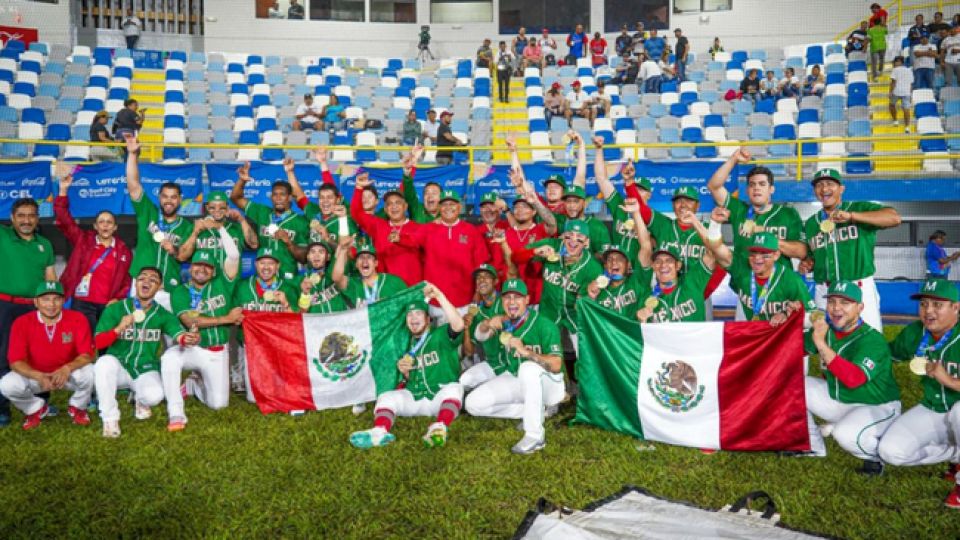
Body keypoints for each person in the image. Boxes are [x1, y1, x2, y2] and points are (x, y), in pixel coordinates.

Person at [349, 284, 465, 449]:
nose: (413, 318)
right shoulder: (406, 344)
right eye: (409, 315)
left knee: (455, 388)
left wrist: (439, 297)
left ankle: (439, 427)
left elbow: (459, 325)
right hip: (416, 398)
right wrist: (405, 373)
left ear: (428, 319)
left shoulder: (440, 335)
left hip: (439, 398)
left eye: (418, 313)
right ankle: (379, 431)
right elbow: (413, 379)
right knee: (386, 397)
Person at [802, 281, 901, 474]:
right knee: (791, 386)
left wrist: (820, 344)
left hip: (877, 405)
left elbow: (853, 378)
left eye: (845, 302)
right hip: (840, 399)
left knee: (846, 435)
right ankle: (812, 445)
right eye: (832, 301)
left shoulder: (873, 340)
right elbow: (791, 349)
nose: (837, 308)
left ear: (860, 307)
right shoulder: (827, 331)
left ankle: (876, 456)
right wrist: (789, 319)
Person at [879, 279, 960, 508]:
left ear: (956, 307)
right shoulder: (916, 332)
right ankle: (955, 456)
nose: (929, 311)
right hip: (933, 406)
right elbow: (887, 355)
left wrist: (949, 380)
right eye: (924, 304)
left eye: (937, 305)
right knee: (890, 451)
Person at [467, 279, 565, 455]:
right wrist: (487, 323)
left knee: (528, 368)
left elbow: (557, 365)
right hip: (517, 379)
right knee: (473, 404)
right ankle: (532, 411)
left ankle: (535, 436)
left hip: (549, 385)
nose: (511, 302)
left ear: (527, 300)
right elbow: (480, 336)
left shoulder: (544, 324)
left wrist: (528, 352)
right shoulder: (505, 322)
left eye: (517, 297)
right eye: (507, 297)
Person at [94, 267, 194, 438]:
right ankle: (110, 419)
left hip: (144, 369)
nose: (146, 281)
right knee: (103, 363)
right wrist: (118, 329)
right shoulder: (116, 309)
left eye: (153, 279)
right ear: (136, 283)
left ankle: (140, 400)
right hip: (118, 368)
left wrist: (188, 338)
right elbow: (97, 343)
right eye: (142, 278)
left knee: (154, 396)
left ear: (159, 286)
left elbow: (178, 334)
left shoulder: (162, 314)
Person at [800, 168, 902, 333]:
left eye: (830, 184)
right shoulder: (811, 223)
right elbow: (812, 257)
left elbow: (894, 218)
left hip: (859, 287)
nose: (824, 189)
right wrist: (808, 264)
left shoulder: (858, 208)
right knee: (827, 344)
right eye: (819, 185)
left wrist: (853, 216)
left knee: (869, 341)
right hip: (826, 291)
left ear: (841, 188)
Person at [161, 238, 242, 431]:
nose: (202, 269)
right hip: (193, 348)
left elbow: (234, 256)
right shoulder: (180, 291)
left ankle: (193, 385)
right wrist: (226, 319)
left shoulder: (223, 283)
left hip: (217, 352)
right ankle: (176, 412)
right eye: (198, 265)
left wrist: (221, 229)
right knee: (169, 358)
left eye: (207, 266)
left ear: (214, 271)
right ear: (190, 268)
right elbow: (189, 321)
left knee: (218, 405)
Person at [707, 148, 806, 296]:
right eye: (752, 185)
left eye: (762, 184)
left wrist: (766, 235)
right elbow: (714, 186)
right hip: (746, 288)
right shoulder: (739, 210)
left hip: (780, 289)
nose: (756, 188)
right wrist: (733, 159)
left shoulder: (788, 214)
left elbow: (801, 252)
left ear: (771, 189)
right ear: (747, 190)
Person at [0, 282, 94, 430]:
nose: (51, 304)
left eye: (56, 299)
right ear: (36, 302)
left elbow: (87, 355)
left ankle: (78, 407)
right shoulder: (22, 322)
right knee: (6, 384)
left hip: (66, 375)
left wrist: (67, 368)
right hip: (36, 377)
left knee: (91, 372)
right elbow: (15, 362)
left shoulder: (77, 318)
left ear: (63, 301)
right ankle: (35, 408)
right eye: (45, 299)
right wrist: (37, 375)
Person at [0, 198, 57, 426]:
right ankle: (2, 409)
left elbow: (51, 278)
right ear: (12, 218)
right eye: (21, 216)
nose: (26, 220)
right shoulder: (3, 236)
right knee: (3, 357)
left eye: (31, 215)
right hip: (5, 306)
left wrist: (51, 305)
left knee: (39, 355)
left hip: (35, 308)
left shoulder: (45, 244)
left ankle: (39, 403)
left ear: (38, 218)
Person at [55, 173, 132, 332]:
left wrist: (117, 298)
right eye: (101, 222)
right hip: (82, 303)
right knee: (82, 344)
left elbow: (126, 281)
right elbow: (64, 220)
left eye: (109, 222)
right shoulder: (84, 241)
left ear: (115, 227)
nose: (105, 225)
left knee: (105, 345)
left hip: (107, 305)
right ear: (95, 226)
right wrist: (63, 191)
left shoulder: (124, 251)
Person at [525, 220, 603, 375]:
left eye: (579, 237)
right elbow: (516, 256)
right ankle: (557, 390)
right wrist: (534, 252)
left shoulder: (592, 267)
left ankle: (585, 390)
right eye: (569, 236)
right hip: (549, 309)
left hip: (574, 311)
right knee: (544, 352)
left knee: (586, 353)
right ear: (562, 237)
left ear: (587, 242)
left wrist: (586, 296)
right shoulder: (551, 246)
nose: (573, 241)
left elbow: (586, 300)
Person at [395, 190, 490, 313]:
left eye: (452, 204)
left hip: (465, 300)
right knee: (437, 332)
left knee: (465, 331)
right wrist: (398, 238)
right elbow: (411, 240)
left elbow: (480, 265)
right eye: (444, 204)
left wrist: (477, 292)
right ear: (439, 207)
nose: (448, 208)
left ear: (459, 207)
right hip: (435, 300)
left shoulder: (471, 231)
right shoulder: (428, 228)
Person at [125, 136, 192, 308]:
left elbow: (185, 255)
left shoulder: (187, 227)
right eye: (165, 196)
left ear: (180, 199)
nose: (169, 201)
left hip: (168, 287)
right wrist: (132, 154)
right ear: (159, 197)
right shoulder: (148, 212)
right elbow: (133, 185)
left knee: (171, 333)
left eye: (173, 197)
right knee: (139, 332)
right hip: (141, 285)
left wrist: (174, 250)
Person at [701, 230, 815, 323]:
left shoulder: (790, 280)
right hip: (754, 333)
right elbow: (716, 248)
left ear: (776, 255)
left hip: (782, 338)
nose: (757, 259)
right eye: (753, 253)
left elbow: (813, 316)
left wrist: (788, 315)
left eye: (764, 254)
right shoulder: (742, 269)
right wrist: (713, 222)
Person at [232, 248, 299, 400]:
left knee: (281, 393)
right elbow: (234, 316)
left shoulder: (288, 288)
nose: (266, 267)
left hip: (278, 346)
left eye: (271, 263)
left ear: (278, 266)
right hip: (250, 346)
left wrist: (285, 303)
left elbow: (295, 321)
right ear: (256, 264)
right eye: (262, 263)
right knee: (253, 398)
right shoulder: (243, 286)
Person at [230, 162, 309, 281]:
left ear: (290, 197)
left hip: (288, 278)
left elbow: (303, 258)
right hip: (264, 276)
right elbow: (236, 198)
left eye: (282, 195)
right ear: (271, 197)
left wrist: (289, 242)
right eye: (275, 195)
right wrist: (242, 180)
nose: (278, 198)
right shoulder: (262, 212)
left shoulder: (300, 221)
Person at [351, 161, 424, 286]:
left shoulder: (418, 228)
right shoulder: (378, 226)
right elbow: (356, 213)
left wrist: (400, 239)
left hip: (413, 290)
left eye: (398, 203)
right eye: (389, 204)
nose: (394, 207)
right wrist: (358, 188)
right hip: (386, 291)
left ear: (405, 206)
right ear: (385, 209)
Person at [585, 213, 653, 318]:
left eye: (620, 259)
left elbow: (646, 246)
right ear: (604, 266)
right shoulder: (598, 291)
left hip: (635, 333)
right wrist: (591, 298)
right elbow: (585, 317)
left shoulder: (639, 280)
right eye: (609, 259)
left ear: (628, 265)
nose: (614, 262)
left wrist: (635, 212)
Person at [177, 190, 257, 275]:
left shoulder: (236, 228)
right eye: (212, 207)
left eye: (222, 207)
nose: (217, 210)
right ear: (207, 207)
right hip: (204, 282)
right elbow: (182, 257)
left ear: (227, 207)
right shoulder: (195, 227)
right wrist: (195, 233)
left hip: (230, 283)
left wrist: (242, 220)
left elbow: (253, 244)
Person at [332, 237, 407, 308]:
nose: (365, 260)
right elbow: (336, 278)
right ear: (356, 264)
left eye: (369, 257)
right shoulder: (353, 284)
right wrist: (343, 250)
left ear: (376, 263)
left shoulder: (394, 281)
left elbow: (408, 301)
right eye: (361, 257)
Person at [460, 265, 505, 377]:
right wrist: (466, 329)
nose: (482, 280)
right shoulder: (475, 311)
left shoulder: (506, 301)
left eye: (487, 277)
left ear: (496, 281)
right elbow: (469, 351)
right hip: (491, 364)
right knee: (465, 380)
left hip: (509, 363)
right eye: (479, 277)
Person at [889, 56, 914, 131]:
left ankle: (895, 121)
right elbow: (911, 83)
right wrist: (910, 94)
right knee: (906, 109)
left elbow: (893, 82)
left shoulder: (895, 70)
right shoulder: (909, 70)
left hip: (896, 91)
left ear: (900, 62)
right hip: (906, 92)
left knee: (891, 105)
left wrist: (890, 92)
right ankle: (907, 127)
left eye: (896, 61)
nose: (895, 63)